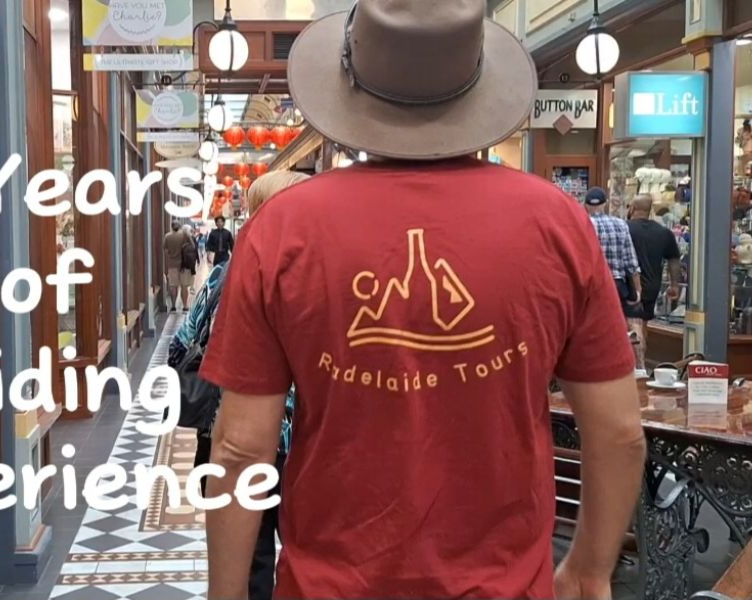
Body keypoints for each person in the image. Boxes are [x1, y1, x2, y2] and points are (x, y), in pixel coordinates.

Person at [199, 2, 646, 599]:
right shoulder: (558, 224)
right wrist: (589, 568)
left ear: (351, 83)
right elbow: (618, 433)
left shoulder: (283, 229)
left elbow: (239, 448)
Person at [172, 170, 309, 600]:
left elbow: (180, 346)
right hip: (303, 441)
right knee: (308, 552)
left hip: (234, 430)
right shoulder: (317, 275)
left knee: (252, 556)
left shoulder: (224, 276)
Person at [627, 194, 682, 369]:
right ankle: (641, 359)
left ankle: (638, 366)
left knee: (633, 325)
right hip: (652, 285)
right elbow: (674, 259)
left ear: (632, 208)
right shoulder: (663, 232)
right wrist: (674, 285)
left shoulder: (625, 228)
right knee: (642, 323)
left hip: (630, 285)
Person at [585, 187, 644, 319]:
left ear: (586, 206)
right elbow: (631, 262)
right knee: (617, 323)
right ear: (605, 204)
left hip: (591, 286)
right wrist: (637, 291)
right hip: (617, 285)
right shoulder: (621, 224)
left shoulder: (583, 225)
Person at [163, 221, 193, 312]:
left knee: (173, 286)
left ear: (171, 226)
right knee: (184, 286)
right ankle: (185, 306)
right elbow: (192, 246)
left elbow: (165, 250)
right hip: (184, 265)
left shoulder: (167, 236)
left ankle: (173, 306)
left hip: (172, 265)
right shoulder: (184, 235)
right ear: (180, 226)